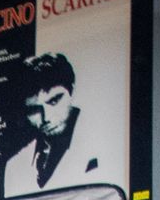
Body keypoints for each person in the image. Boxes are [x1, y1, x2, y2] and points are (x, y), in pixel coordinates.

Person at [8, 53, 98, 191]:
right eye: (34, 110)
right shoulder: (14, 166)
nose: (46, 118)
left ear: (72, 91)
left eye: (54, 101)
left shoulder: (102, 145)